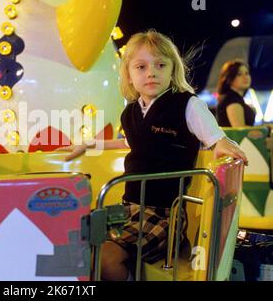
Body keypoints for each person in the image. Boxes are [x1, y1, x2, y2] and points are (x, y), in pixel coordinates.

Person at [57, 30, 248, 281]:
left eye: (160, 65)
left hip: (163, 214)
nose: (151, 72)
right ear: (129, 74)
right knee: (74, 241)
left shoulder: (186, 104)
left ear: (172, 70)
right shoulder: (131, 113)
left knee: (104, 258)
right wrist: (88, 144)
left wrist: (222, 144)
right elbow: (131, 141)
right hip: (128, 208)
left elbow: (213, 137)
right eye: (141, 66)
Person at [216, 59, 256, 127]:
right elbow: (239, 129)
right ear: (230, 78)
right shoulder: (232, 100)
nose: (245, 77)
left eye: (247, 73)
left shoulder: (234, 98)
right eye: (239, 74)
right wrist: (265, 129)